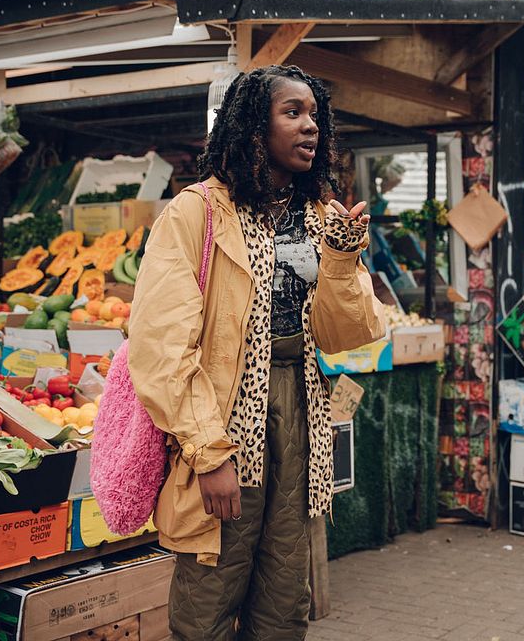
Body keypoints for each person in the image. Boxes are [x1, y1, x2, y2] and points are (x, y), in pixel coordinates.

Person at [128, 65, 385, 641]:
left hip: (298, 409)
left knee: (284, 598)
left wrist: (342, 259)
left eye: (314, 114)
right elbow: (161, 347)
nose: (310, 126)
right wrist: (207, 452)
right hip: (223, 413)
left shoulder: (319, 215)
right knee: (210, 592)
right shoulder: (196, 212)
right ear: (252, 128)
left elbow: (347, 332)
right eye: (292, 113)